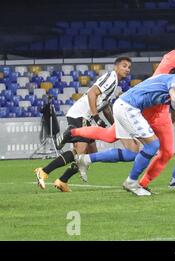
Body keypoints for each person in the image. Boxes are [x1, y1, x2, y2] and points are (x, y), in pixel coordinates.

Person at [58, 11, 175, 190]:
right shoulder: (173, 56)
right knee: (117, 139)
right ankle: (74, 134)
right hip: (146, 106)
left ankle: (142, 184)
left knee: (166, 152)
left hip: (162, 107)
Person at [33, 57, 133, 192]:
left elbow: (106, 107)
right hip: (81, 114)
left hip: (85, 116)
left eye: (129, 67)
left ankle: (61, 180)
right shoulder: (111, 77)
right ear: (116, 67)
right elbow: (92, 93)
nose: (127, 69)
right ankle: (46, 171)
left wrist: (115, 125)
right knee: (81, 154)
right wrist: (96, 117)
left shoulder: (114, 83)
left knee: (89, 155)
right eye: (124, 66)